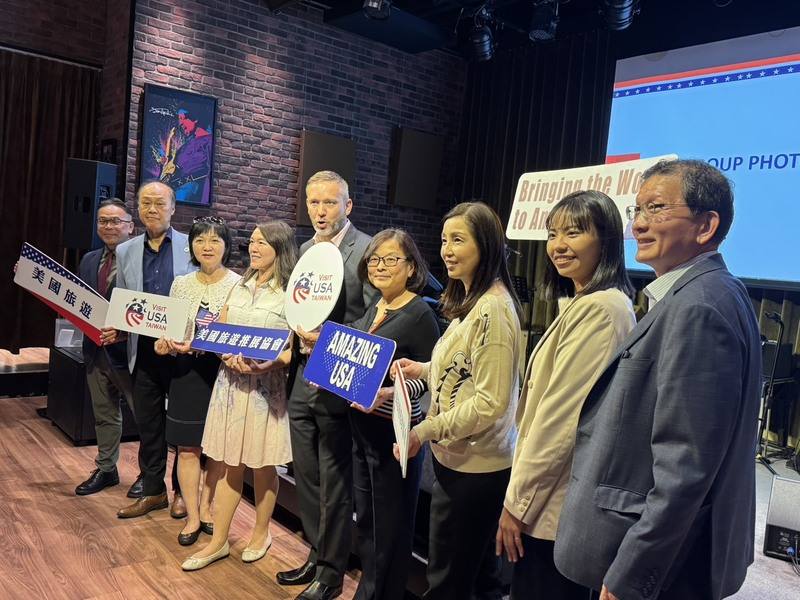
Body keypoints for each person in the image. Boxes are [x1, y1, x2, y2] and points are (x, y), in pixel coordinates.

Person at [553, 160, 761, 600]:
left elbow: (685, 467)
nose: (639, 224)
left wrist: (631, 573)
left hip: (665, 568)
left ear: (706, 226)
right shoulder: (707, 292)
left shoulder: (699, 307)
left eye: (657, 208)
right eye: (638, 210)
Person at [494, 190, 636, 600]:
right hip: (550, 497)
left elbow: (560, 419)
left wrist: (517, 503)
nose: (558, 245)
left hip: (554, 505)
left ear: (606, 240)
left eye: (573, 232)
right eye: (553, 233)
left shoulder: (602, 309)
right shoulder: (585, 301)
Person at [394, 201, 522, 600]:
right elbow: (465, 369)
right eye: (444, 240)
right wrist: (423, 369)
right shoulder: (474, 300)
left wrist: (425, 430)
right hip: (461, 461)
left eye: (458, 240)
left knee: (448, 582)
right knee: (478, 580)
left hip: (476, 469)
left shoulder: (493, 309)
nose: (447, 250)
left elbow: (489, 401)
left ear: (485, 244)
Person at [276, 170, 379, 600]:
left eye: (330, 202)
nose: (320, 211)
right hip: (302, 375)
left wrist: (331, 338)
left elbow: (376, 316)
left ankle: (332, 573)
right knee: (306, 474)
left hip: (338, 376)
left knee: (335, 478)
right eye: (314, 202)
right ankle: (317, 554)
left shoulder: (368, 249)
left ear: (347, 205)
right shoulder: (305, 250)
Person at [181, 221, 298, 571]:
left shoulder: (291, 293)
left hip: (266, 389)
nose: (254, 248)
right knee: (231, 462)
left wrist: (269, 363)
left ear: (280, 248)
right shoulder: (239, 285)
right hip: (231, 386)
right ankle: (218, 541)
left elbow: (293, 350)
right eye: (252, 241)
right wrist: (224, 354)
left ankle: (261, 533)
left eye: (262, 243)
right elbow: (219, 331)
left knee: (263, 464)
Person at [347, 229, 441, 600]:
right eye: (374, 259)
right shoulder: (376, 306)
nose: (380, 266)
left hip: (395, 435)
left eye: (390, 259)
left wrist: (390, 392)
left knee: (391, 528)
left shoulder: (420, 313)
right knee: (368, 521)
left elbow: (430, 378)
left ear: (411, 267)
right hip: (363, 428)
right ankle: (368, 590)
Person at [109, 181, 197, 519]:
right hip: (143, 349)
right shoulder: (126, 250)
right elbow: (124, 298)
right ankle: (153, 490)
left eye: (160, 203)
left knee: (181, 425)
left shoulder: (191, 246)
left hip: (180, 351)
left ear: (173, 208)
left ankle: (182, 493)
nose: (152, 209)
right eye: (146, 203)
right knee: (148, 425)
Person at [154, 216, 240, 546]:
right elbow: (169, 330)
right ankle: (191, 515)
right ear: (191, 246)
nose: (207, 246)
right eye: (200, 239)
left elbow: (235, 334)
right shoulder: (181, 284)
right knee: (187, 448)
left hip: (222, 374)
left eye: (215, 240)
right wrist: (163, 344)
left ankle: (207, 506)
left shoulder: (238, 284)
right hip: (185, 373)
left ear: (226, 247)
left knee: (216, 448)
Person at [75, 198, 137, 496]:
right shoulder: (88, 259)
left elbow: (153, 307)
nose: (109, 226)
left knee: (145, 418)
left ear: (130, 226)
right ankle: (106, 468)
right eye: (103, 220)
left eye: (116, 221)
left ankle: (150, 475)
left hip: (131, 354)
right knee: (104, 414)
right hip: (95, 351)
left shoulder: (142, 261)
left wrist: (124, 331)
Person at [159, 107, 212, 205]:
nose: (180, 123)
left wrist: (204, 201)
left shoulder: (208, 141)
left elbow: (211, 175)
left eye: (182, 118)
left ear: (195, 119)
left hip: (188, 195)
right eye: (179, 119)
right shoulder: (186, 144)